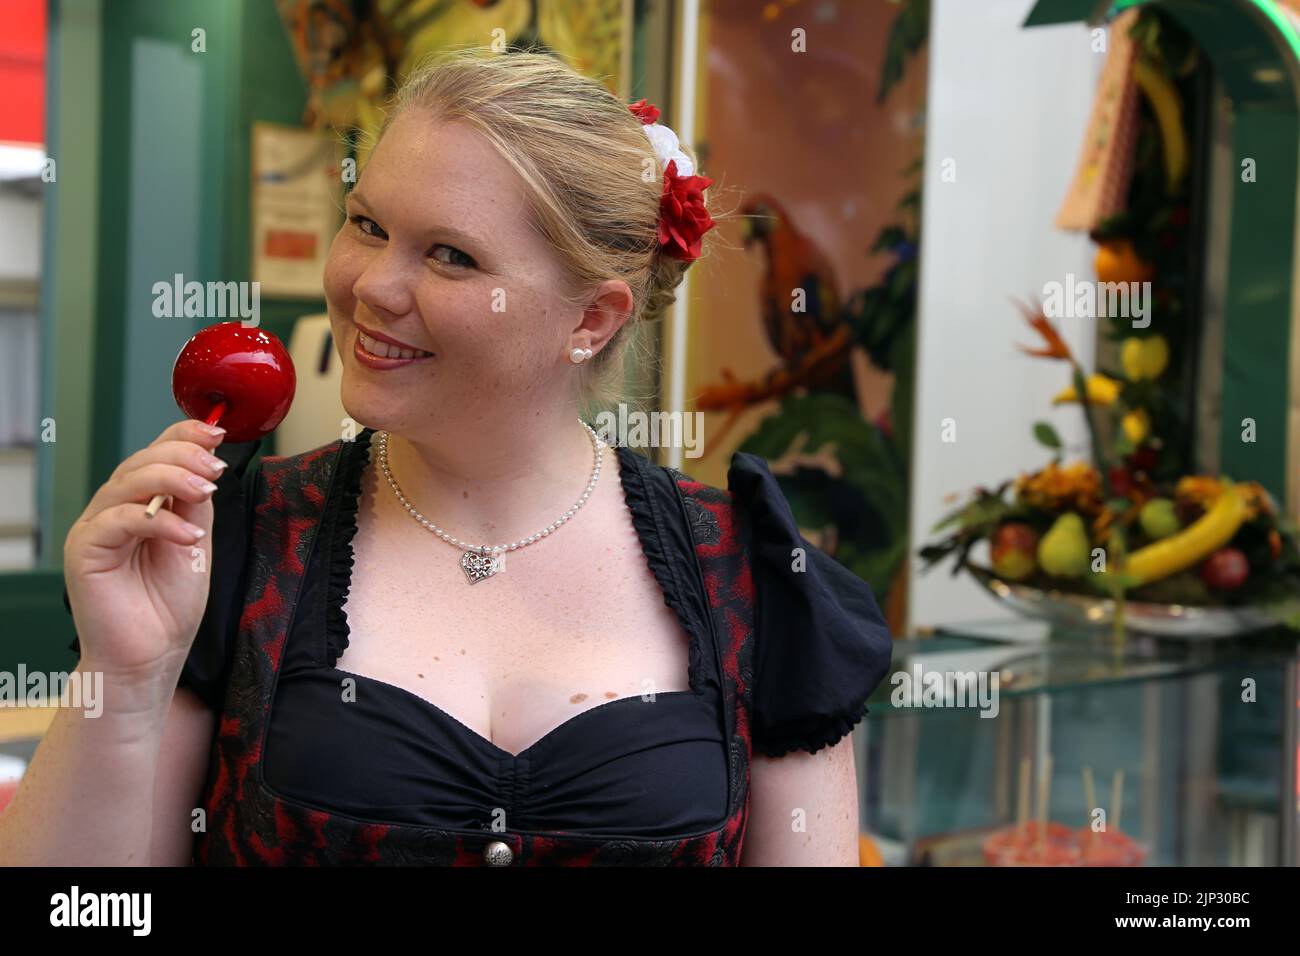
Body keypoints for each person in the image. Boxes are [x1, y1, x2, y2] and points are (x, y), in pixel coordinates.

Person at [0, 47, 892, 866]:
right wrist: (123, 678)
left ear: (592, 319)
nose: (371, 288)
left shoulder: (751, 579)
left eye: (451, 256)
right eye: (367, 224)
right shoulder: (233, 545)